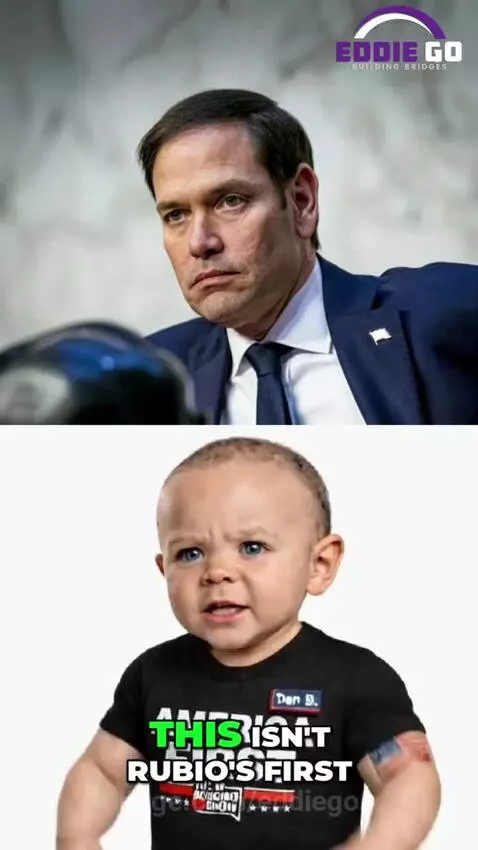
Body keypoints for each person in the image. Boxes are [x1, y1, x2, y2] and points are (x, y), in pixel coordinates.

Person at [56, 436, 441, 850]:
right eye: (190, 554)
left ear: (318, 564)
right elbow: (103, 771)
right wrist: (79, 835)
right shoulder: (152, 675)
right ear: (163, 569)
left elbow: (407, 775)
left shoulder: (354, 678)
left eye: (251, 547)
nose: (217, 571)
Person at [138, 88, 478, 426]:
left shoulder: (446, 310)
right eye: (176, 215)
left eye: (230, 201)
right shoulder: (149, 378)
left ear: (302, 201)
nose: (199, 243)